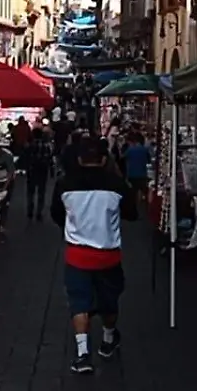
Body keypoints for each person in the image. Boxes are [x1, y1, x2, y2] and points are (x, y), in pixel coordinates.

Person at [50, 137, 138, 375]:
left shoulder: (64, 184)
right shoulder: (117, 185)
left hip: (77, 255)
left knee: (79, 302)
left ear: (79, 159)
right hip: (108, 255)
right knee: (110, 300)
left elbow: (56, 215)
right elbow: (132, 213)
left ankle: (82, 354)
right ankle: (108, 340)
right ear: (103, 159)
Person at [23, 128, 55, 220]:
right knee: (41, 192)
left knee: (30, 191)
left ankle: (30, 210)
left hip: (32, 170)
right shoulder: (47, 146)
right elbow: (50, 159)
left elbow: (25, 157)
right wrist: (52, 172)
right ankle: (39, 212)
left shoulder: (29, 145)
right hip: (43, 170)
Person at [122, 133, 151, 204]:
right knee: (143, 190)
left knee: (133, 192)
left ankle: (135, 205)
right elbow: (149, 161)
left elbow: (122, 158)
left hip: (132, 174)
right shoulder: (145, 150)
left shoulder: (130, 150)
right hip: (142, 174)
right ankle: (143, 204)